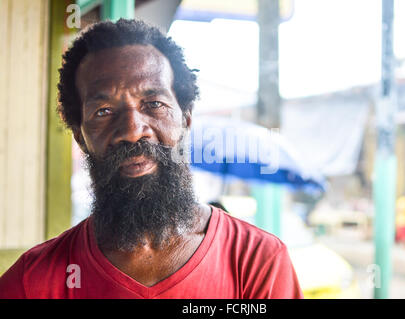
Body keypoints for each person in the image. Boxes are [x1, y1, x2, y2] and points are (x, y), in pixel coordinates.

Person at [0, 19, 302, 299]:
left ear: (185, 119)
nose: (132, 131)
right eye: (103, 111)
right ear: (80, 136)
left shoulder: (257, 262)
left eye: (154, 104)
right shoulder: (32, 282)